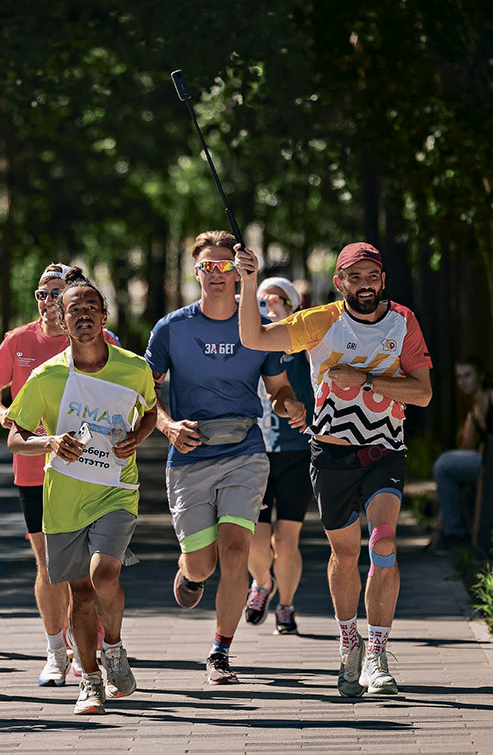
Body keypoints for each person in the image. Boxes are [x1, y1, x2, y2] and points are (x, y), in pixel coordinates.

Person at [236, 241, 433, 697]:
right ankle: (350, 643)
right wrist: (249, 282)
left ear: (382, 280)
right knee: (345, 556)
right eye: (354, 277)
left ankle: (377, 655)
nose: (365, 285)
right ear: (340, 282)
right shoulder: (320, 321)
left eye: (372, 276)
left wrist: (365, 379)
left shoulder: (403, 321)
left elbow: (422, 393)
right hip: (331, 455)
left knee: (383, 544)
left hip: (384, 450)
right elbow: (254, 339)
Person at [145, 230, 306, 686]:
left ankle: (220, 652)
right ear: (196, 272)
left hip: (245, 450)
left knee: (237, 549)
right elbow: (145, 392)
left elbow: (278, 390)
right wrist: (167, 426)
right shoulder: (171, 328)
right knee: (204, 563)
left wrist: (290, 406)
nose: (216, 273)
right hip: (191, 452)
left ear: (238, 272)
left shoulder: (257, 326)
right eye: (207, 266)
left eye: (225, 265)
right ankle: (190, 571)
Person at [7, 268, 157, 715]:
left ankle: (114, 647)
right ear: (61, 318)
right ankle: (90, 681)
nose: (84, 314)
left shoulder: (134, 368)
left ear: (105, 316)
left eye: (92, 306)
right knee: (81, 594)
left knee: (104, 574)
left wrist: (138, 436)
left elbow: (150, 411)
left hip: (116, 490)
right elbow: (15, 438)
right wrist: (50, 442)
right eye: (75, 309)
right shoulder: (46, 377)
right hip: (65, 498)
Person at [0, 263, 120, 687]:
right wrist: (2, 414)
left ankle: (90, 646)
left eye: (56, 292)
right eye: (41, 293)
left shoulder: (102, 340)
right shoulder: (19, 340)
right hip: (35, 470)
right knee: (50, 565)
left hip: (91, 469)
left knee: (93, 567)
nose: (47, 301)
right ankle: (57, 649)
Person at [247, 276, 315, 636]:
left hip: (297, 451)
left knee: (286, 541)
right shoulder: (248, 341)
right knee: (254, 540)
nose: (269, 305)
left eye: (278, 300)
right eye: (262, 300)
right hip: (253, 451)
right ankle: (262, 583)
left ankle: (286, 606)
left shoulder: (306, 345)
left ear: (293, 307)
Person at [434, 358, 493, 544]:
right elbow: (466, 449)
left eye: (468, 375)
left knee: (444, 464)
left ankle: (455, 531)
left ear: (481, 376)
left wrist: (488, 446)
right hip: (487, 461)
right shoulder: (473, 411)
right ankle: (450, 530)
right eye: (459, 377)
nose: (463, 381)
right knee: (447, 465)